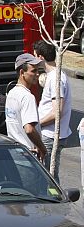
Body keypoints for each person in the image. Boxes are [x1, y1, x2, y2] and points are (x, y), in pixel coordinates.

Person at [33, 41, 71, 182]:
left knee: (49, 177)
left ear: (41, 57)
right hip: (49, 134)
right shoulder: (53, 76)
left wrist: (36, 124)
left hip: (50, 136)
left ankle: (55, 203)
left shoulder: (56, 78)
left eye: (34, 56)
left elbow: (57, 112)